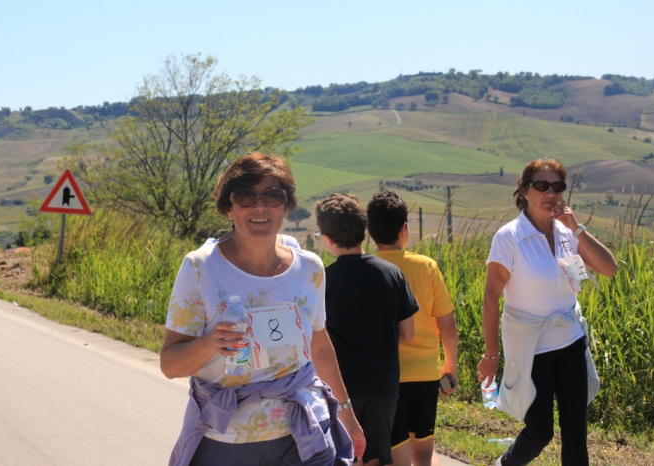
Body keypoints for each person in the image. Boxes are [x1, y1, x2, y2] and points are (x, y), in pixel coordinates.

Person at [160, 152, 366, 466]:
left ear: (285, 206)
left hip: (302, 437)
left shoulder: (309, 269)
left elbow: (320, 346)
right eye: (245, 196)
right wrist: (209, 343)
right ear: (229, 208)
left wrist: (347, 415)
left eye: (272, 196)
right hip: (226, 441)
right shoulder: (201, 268)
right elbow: (170, 364)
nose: (259, 207)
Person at [477, 158, 617, 466]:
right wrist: (491, 353)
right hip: (531, 348)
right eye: (541, 185)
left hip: (570, 342)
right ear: (525, 191)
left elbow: (609, 268)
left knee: (576, 433)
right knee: (540, 432)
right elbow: (490, 298)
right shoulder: (509, 237)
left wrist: (576, 226)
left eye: (557, 186)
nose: (550, 192)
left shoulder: (568, 233)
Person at [315, 193, 418, 466]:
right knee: (374, 455)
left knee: (344, 454)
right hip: (382, 385)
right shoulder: (391, 273)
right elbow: (408, 332)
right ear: (365, 231)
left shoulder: (323, 280)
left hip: (340, 386)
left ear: (327, 239)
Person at [366, 190, 459, 466]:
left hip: (387, 378)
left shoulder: (370, 270)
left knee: (398, 455)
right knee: (424, 450)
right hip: (426, 376)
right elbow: (448, 326)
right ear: (404, 228)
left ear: (370, 233)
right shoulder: (426, 266)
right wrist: (450, 366)